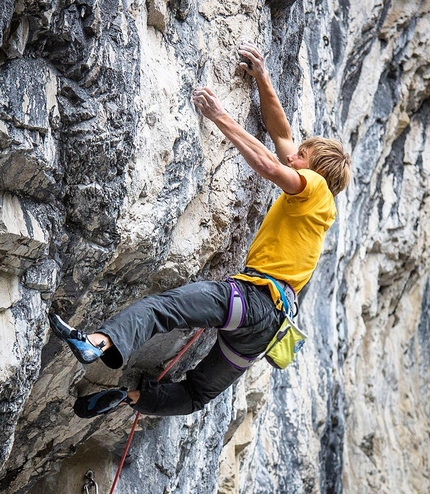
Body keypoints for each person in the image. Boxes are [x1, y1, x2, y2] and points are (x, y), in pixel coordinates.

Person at [49, 41, 351, 418]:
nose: (293, 156)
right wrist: (263, 78)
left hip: (251, 300)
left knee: (163, 309)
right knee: (195, 396)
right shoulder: (318, 209)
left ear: (314, 169)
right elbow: (283, 136)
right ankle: (132, 398)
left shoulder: (315, 187)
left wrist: (220, 116)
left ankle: (97, 342)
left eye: (302, 157)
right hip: (266, 331)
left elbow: (274, 166)